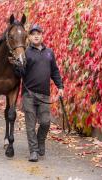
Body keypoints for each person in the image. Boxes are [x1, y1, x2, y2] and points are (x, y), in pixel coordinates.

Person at [14, 24, 64, 162]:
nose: (36, 36)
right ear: (29, 37)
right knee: (30, 125)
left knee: (46, 122)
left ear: (42, 35)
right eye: (33, 34)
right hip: (29, 95)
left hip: (44, 95)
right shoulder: (25, 53)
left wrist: (60, 86)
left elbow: (54, 71)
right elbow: (20, 73)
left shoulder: (49, 53)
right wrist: (18, 66)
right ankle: (33, 151)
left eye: (38, 33)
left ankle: (40, 141)